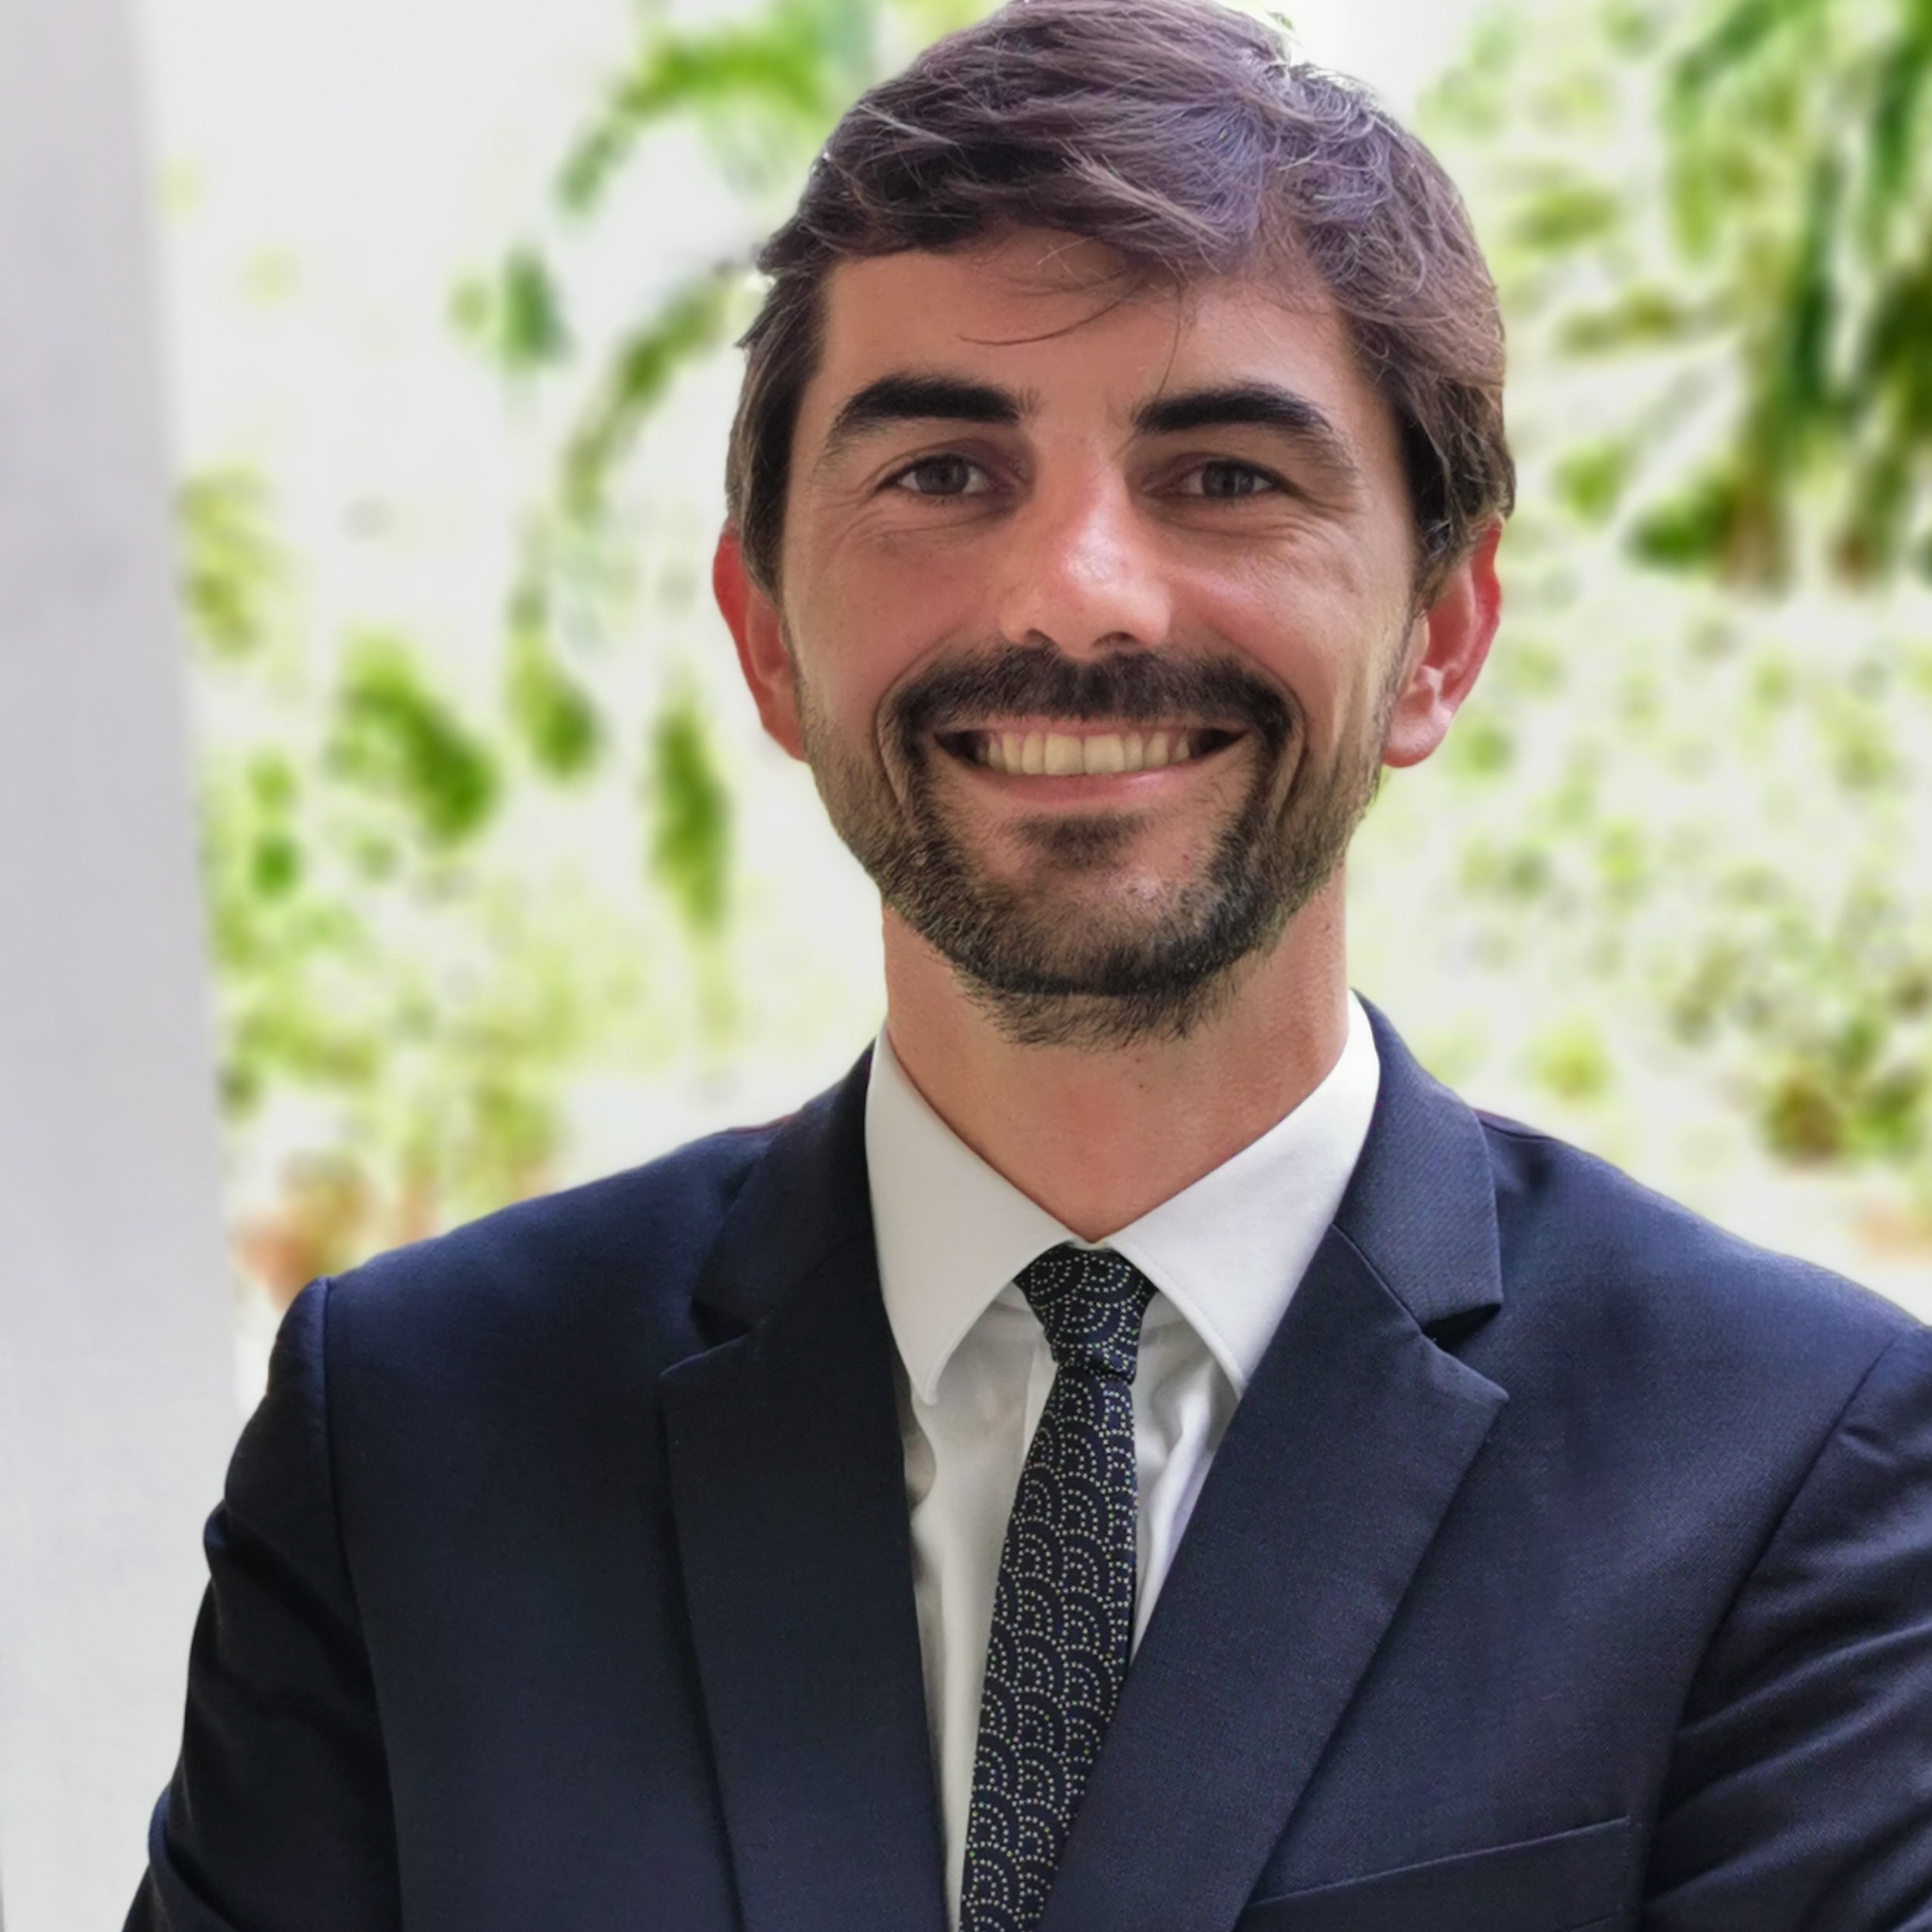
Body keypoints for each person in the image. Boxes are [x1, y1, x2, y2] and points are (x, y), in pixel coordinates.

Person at [128, 1, 1932, 1927]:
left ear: (1439, 630)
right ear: (765, 636)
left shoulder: (1793, 1466)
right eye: (941, 473)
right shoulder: (408, 1433)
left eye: (1222, 474)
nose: (1076, 593)